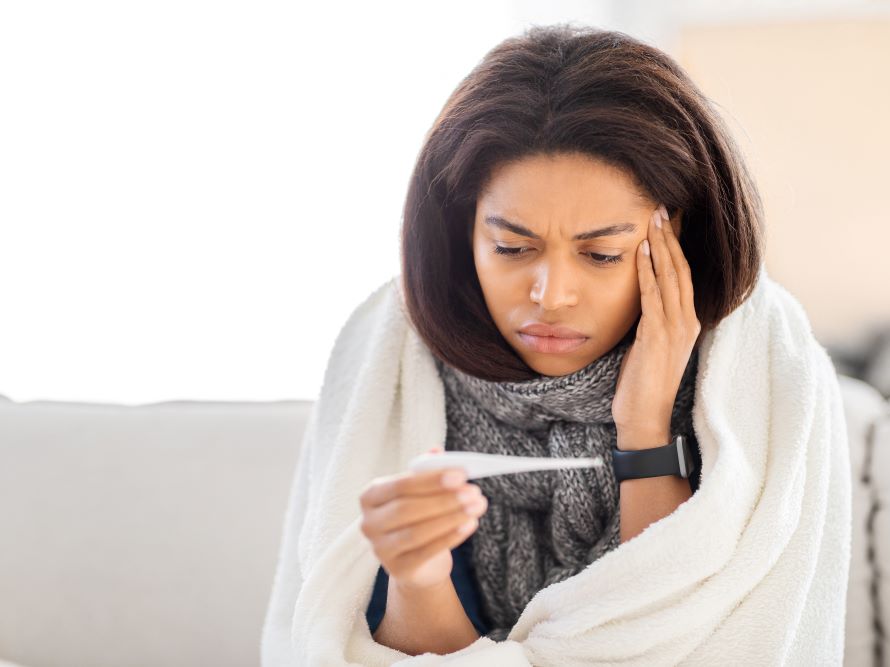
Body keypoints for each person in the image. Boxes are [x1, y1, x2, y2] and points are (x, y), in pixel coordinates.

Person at [263, 22, 769, 660]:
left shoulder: (747, 376)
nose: (551, 294)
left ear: (678, 242)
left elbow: (672, 647)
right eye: (511, 247)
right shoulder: (393, 366)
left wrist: (644, 426)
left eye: (602, 254)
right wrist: (418, 576)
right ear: (461, 231)